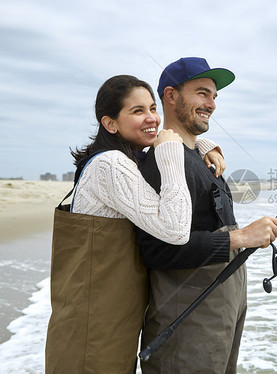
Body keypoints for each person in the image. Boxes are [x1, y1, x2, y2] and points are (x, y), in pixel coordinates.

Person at [45, 74, 225, 373]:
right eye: (137, 111)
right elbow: (176, 230)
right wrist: (171, 153)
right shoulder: (111, 165)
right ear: (110, 123)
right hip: (93, 325)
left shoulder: (124, 159)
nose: (152, 118)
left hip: (107, 316)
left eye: (152, 108)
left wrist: (203, 145)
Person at [137, 57, 277, 373]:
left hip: (224, 307)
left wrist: (204, 146)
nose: (212, 104)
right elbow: (156, 250)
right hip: (188, 320)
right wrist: (242, 237)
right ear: (171, 95)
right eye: (202, 93)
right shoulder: (165, 162)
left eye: (214, 96)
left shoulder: (201, 156)